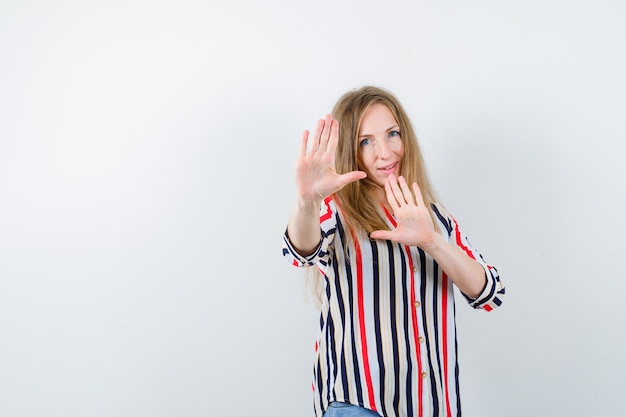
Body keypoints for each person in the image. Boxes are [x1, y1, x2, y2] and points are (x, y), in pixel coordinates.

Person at [282, 86, 505, 417]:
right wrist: (307, 201)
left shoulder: (433, 215)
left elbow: (490, 292)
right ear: (350, 150)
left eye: (392, 134)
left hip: (433, 405)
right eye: (366, 141)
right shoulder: (337, 210)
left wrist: (433, 242)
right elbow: (301, 251)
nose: (385, 153)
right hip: (360, 402)